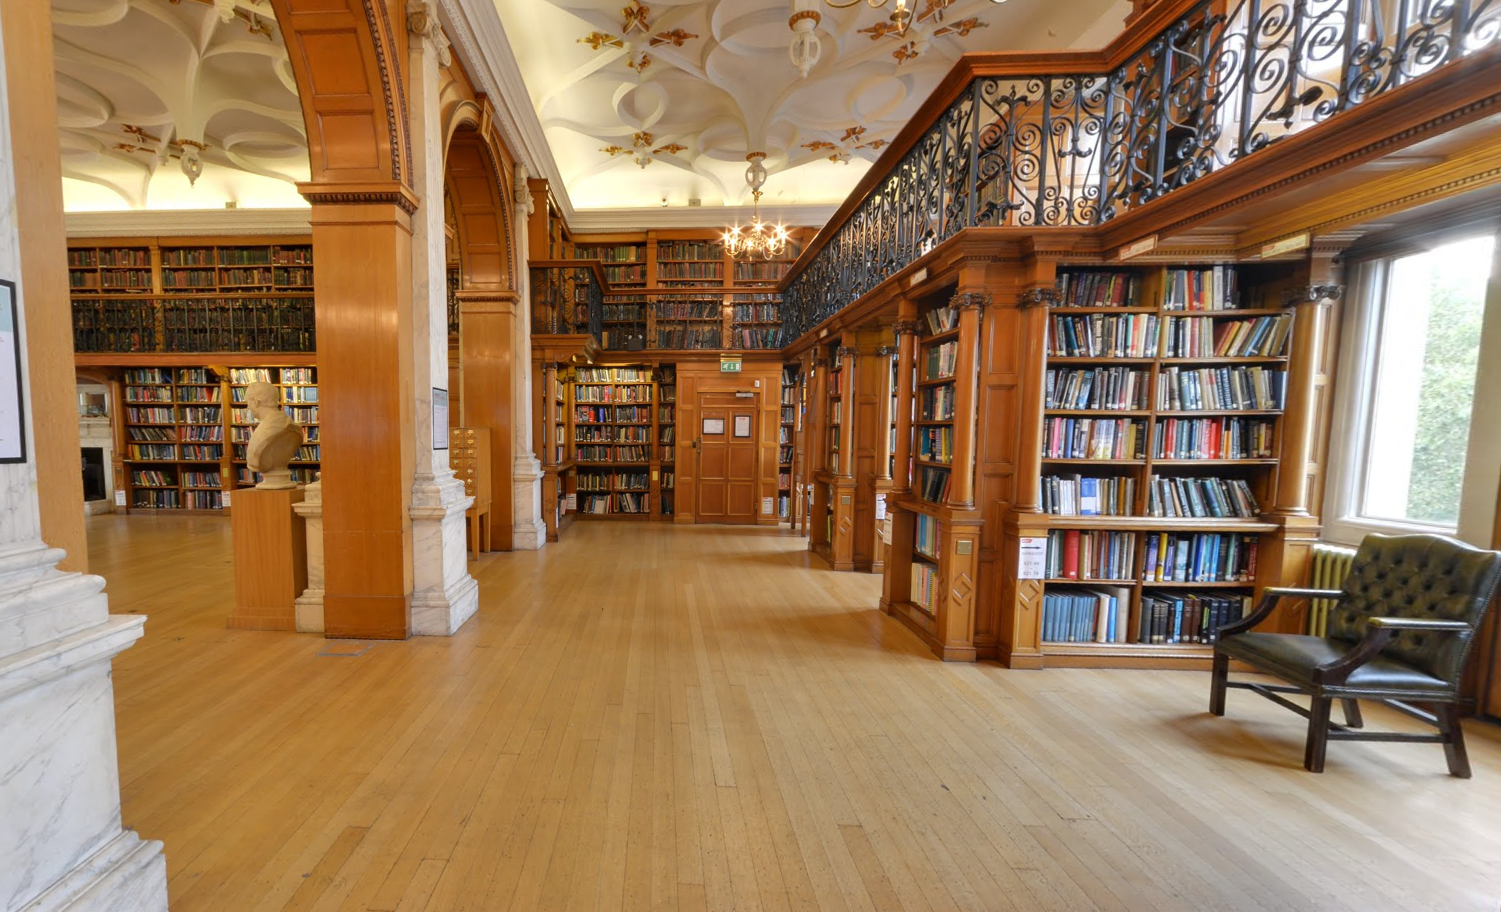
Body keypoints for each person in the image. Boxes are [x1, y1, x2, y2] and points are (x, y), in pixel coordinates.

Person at [244, 381, 303, 489]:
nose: (248, 407)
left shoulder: (264, 433)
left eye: (248, 402)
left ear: (255, 401)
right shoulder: (294, 428)